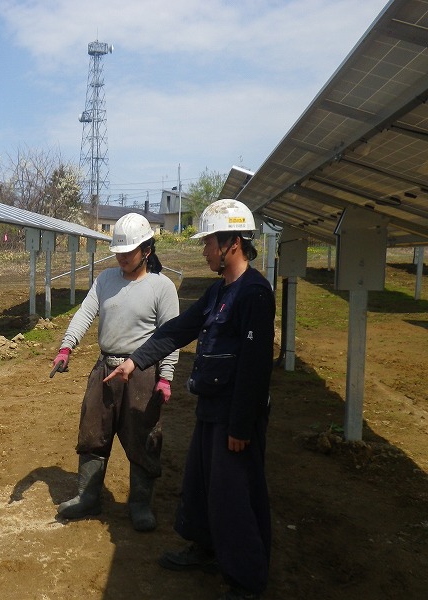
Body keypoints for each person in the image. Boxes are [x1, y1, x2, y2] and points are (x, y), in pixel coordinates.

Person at [104, 199, 275, 600]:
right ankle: (206, 547)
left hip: (235, 416)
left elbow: (254, 369)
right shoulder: (220, 291)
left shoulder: (254, 294)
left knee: (235, 495)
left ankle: (245, 579)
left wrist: (240, 427)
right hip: (211, 409)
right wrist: (135, 362)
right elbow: (180, 329)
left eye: (209, 242)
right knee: (202, 486)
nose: (204, 250)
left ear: (232, 243)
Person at [51, 213, 179, 531]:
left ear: (146, 251)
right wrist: (67, 347)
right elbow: (85, 313)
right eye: (118, 252)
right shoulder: (105, 280)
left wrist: (165, 377)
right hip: (106, 369)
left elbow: (170, 336)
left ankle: (139, 504)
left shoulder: (162, 288)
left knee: (143, 438)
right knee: (93, 432)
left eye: (128, 252)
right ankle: (88, 496)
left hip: (142, 374)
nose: (121, 257)